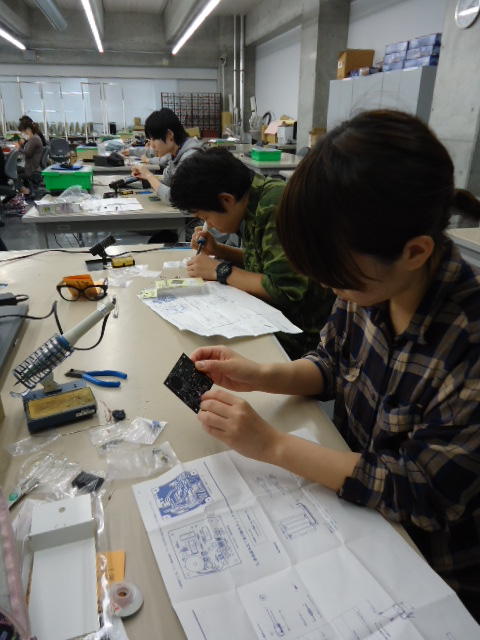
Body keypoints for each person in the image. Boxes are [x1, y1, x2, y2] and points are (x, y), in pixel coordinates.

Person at [189, 110, 480, 621]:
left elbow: (422, 492)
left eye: (338, 277)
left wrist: (272, 446)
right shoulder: (369, 285)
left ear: (415, 252)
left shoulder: (467, 348)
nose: (331, 289)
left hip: (426, 568)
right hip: (351, 507)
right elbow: (331, 361)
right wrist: (260, 375)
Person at [170, 148, 334, 358]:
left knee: (204, 351)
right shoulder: (253, 201)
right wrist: (219, 250)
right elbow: (265, 264)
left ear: (226, 200)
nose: (207, 224)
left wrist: (219, 270)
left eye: (205, 217)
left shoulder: (274, 206)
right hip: (275, 318)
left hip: (300, 334)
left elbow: (284, 290)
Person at [130, 108, 203, 203]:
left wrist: (149, 175)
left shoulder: (191, 157)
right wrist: (146, 176)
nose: (151, 145)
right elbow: (168, 183)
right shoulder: (175, 154)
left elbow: (175, 198)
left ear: (169, 135)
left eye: (153, 139)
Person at [17, 117, 44, 196]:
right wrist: (22, 146)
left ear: (28, 129)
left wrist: (19, 148)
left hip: (32, 170)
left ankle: (26, 190)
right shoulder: (34, 138)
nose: (22, 134)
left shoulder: (34, 139)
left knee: (11, 174)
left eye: (22, 131)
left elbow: (28, 154)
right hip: (33, 167)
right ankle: (25, 189)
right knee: (16, 169)